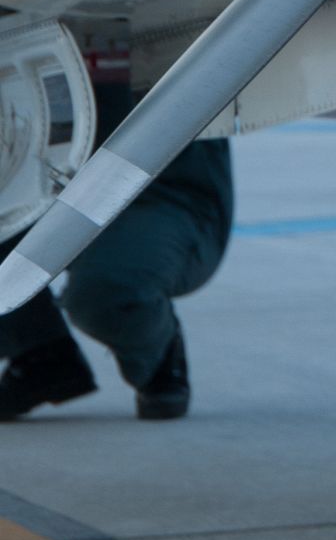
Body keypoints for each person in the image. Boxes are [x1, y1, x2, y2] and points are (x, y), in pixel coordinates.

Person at [0, 68, 233, 421]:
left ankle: (158, 356)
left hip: (159, 188)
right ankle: (39, 350)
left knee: (108, 293)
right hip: (48, 173)